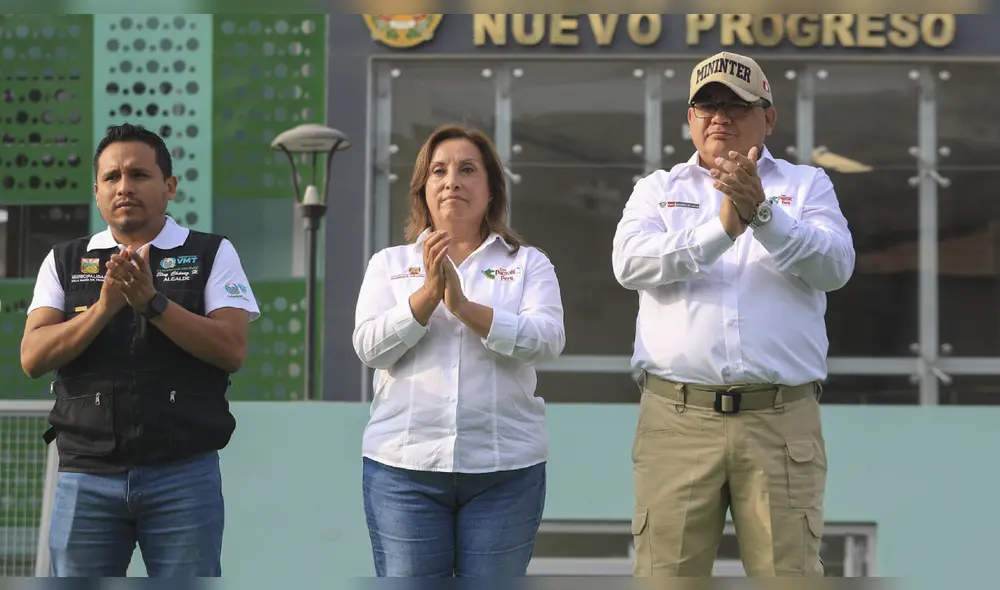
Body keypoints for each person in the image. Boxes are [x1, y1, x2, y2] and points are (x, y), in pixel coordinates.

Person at [612, 51, 856, 577]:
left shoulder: (808, 184)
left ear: (767, 117)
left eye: (737, 105)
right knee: (666, 579)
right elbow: (629, 263)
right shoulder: (658, 190)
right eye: (707, 105)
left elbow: (835, 266)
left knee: (787, 577)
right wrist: (721, 230)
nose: (720, 116)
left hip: (780, 419)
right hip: (676, 418)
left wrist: (763, 215)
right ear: (690, 120)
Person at [19, 123, 260, 577]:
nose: (124, 187)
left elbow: (231, 349)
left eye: (139, 175)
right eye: (112, 177)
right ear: (96, 191)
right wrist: (104, 308)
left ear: (169, 186)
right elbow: (32, 356)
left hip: (183, 476)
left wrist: (152, 303)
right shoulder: (65, 260)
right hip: (85, 476)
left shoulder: (211, 252)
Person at [352, 124, 566, 578]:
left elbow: (546, 340)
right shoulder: (389, 264)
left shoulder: (527, 262)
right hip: (403, 470)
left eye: (468, 169)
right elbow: (369, 348)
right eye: (439, 171)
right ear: (423, 191)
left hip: (505, 472)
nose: (452, 181)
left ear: (490, 190)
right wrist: (426, 298)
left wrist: (465, 308)